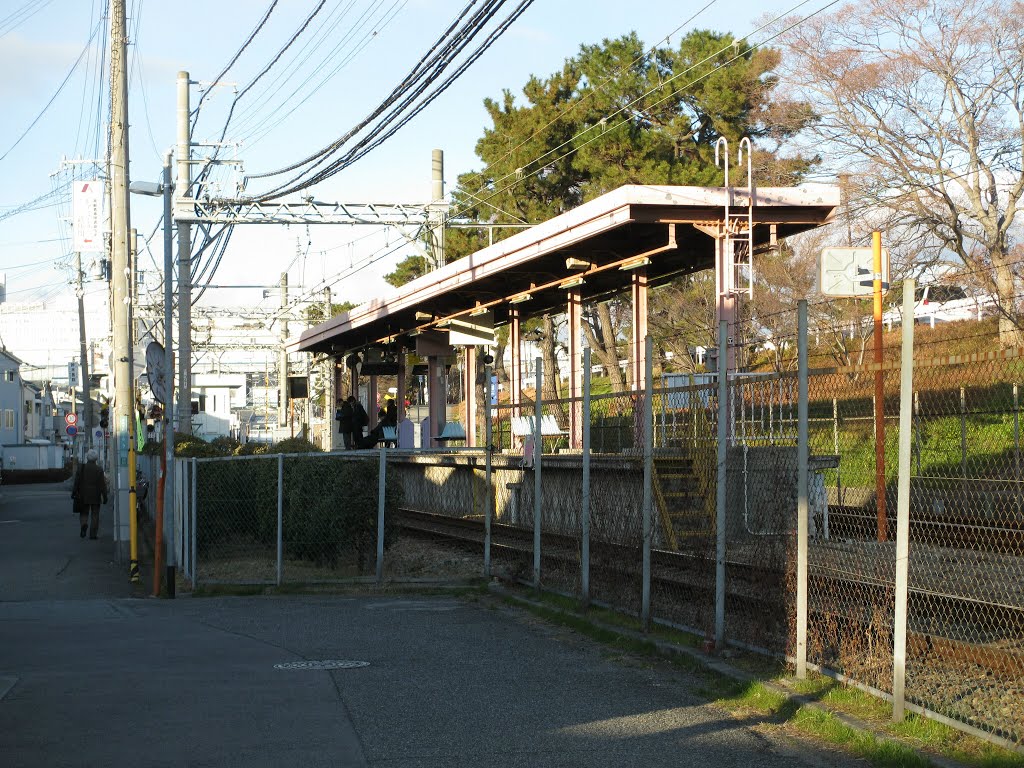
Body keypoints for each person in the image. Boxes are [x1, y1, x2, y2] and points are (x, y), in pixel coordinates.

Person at [71, 449, 108, 540]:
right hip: (95, 495)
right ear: (96, 459)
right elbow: (102, 485)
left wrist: (74, 492)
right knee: (95, 514)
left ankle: (84, 525)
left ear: (87, 458)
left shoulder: (81, 468)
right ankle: (93, 534)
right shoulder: (99, 469)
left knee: (84, 513)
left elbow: (76, 482)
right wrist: (105, 496)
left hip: (83, 495)